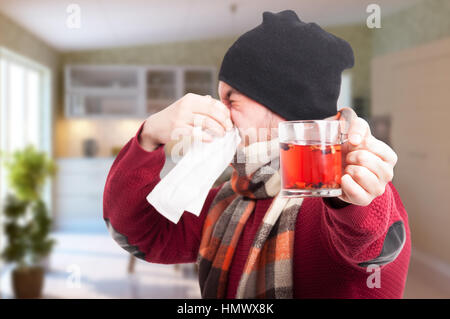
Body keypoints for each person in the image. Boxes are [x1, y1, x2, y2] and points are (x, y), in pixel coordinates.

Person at [103, 10, 410, 298]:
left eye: (230, 99)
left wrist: (358, 197)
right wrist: (148, 136)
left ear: (284, 106)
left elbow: (370, 246)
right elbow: (137, 235)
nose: (218, 112)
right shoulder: (228, 201)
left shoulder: (338, 197)